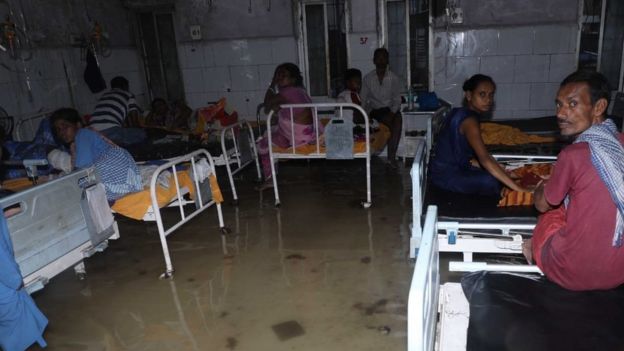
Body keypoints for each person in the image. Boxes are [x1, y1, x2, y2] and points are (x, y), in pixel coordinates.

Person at [522, 71, 624, 291]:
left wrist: (542, 187)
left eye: (572, 104)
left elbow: (542, 204)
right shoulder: (620, 144)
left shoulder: (573, 154)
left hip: (571, 272)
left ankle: (534, 248)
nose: (561, 113)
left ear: (599, 107)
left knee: (551, 211)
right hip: (618, 272)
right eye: (559, 105)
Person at [429, 74, 529, 195]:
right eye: (482, 94)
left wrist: (499, 168)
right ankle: (509, 190)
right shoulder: (469, 121)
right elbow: (485, 159)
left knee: (498, 172)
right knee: (492, 180)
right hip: (446, 177)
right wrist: (520, 190)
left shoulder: (459, 112)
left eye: (491, 95)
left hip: (441, 172)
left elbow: (462, 157)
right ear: (469, 95)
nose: (488, 100)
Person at [51, 108, 142, 202]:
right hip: (129, 180)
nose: (62, 133)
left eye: (65, 127)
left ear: (78, 125)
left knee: (70, 188)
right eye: (58, 130)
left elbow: (81, 171)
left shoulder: (82, 134)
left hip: (116, 175)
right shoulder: (79, 142)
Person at [256, 63, 318, 189]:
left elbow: (267, 103)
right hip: (303, 135)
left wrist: (272, 84)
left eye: (283, 75)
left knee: (263, 143)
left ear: (293, 79)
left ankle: (270, 178)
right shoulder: (299, 91)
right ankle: (272, 172)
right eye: (277, 75)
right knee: (269, 133)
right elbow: (275, 108)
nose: (279, 78)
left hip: (298, 138)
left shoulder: (290, 91)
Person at [0, 213, 48, 350]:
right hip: (5, 282)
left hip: (6, 278)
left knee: (19, 317)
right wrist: (15, 280)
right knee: (13, 317)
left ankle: (35, 339)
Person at [360, 48, 403, 167]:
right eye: (378, 57)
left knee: (397, 120)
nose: (381, 60)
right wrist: (364, 116)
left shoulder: (394, 78)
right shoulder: (367, 79)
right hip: (375, 112)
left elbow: (397, 100)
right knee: (393, 122)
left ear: (387, 60)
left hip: (389, 111)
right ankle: (389, 158)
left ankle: (391, 158)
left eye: (384, 57)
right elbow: (363, 100)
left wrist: (392, 113)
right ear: (374, 60)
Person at [89, 76, 146, 146]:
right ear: (125, 86)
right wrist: (140, 129)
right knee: (141, 134)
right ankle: (115, 144)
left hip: (92, 132)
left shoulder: (104, 95)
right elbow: (134, 121)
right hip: (110, 131)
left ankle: (109, 143)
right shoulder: (128, 95)